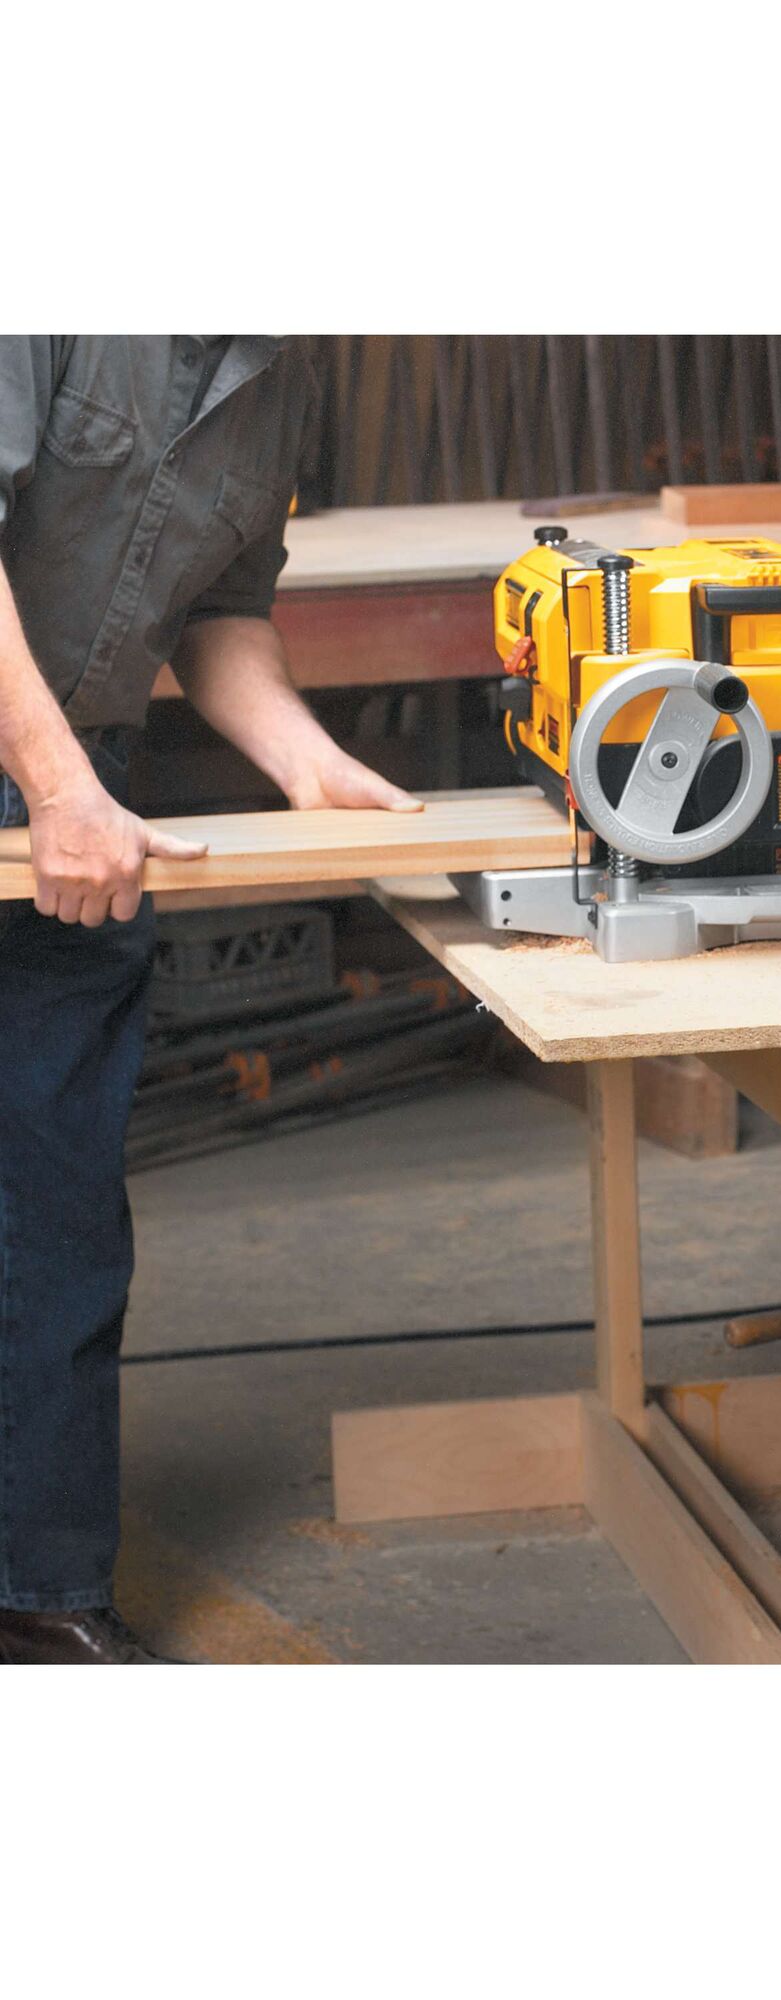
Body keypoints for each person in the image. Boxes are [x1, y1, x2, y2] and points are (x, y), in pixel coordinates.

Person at [0, 337, 420, 1662]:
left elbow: (223, 610)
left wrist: (307, 762)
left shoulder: (285, 371)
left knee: (56, 1206)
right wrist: (54, 787)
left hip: (79, 775)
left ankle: (38, 1593)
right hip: (53, 772)